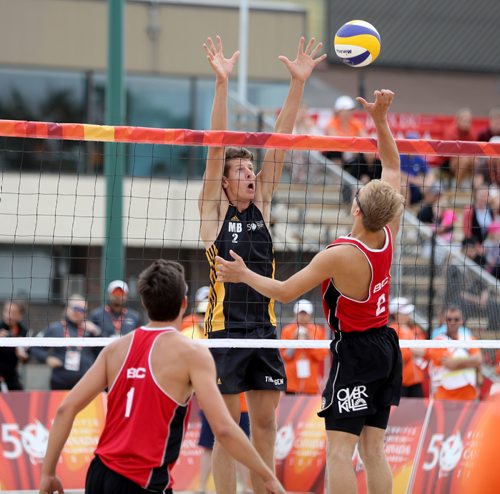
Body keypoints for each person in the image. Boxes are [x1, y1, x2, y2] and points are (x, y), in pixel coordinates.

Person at [216, 90, 405, 494]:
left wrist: (244, 273)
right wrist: (381, 119)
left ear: (356, 209)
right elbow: (392, 164)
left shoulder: (338, 255)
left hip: (355, 352)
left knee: (340, 453)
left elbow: (284, 293)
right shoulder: (390, 233)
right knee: (374, 450)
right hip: (388, 346)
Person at [199, 35, 325, 494]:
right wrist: (221, 84)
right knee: (228, 429)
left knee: (266, 423)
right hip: (225, 332)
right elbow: (216, 149)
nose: (250, 174)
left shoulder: (263, 205)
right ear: (227, 183)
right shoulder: (214, 211)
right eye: (241, 171)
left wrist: (298, 84)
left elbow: (283, 144)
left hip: (264, 329)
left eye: (252, 169)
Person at [39, 260, 284, 494]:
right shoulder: (192, 354)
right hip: (143, 481)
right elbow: (224, 430)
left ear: (144, 303)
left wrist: (47, 474)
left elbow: (65, 409)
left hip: (99, 473)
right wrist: (267, 475)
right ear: (184, 303)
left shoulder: (114, 349)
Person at [31, 295, 101, 390]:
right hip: (60, 382)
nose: (78, 312)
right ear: (67, 308)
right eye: (75, 308)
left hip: (86, 383)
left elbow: (104, 351)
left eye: (82, 310)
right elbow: (35, 347)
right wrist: (47, 358)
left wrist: (97, 332)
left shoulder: (91, 329)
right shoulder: (55, 328)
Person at [417, 306, 482, 401]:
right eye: (449, 319)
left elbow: (478, 360)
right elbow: (450, 365)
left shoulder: (469, 338)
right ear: (444, 321)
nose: (452, 322)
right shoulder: (438, 341)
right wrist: (470, 361)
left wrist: (456, 361)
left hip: (469, 394)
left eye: (456, 319)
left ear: (462, 321)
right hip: (445, 394)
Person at [280, 299, 329, 394]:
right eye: (300, 313)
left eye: (305, 313)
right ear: (295, 314)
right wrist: (294, 342)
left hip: (310, 385)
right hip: (291, 384)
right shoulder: (287, 330)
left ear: (310, 314)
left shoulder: (317, 331)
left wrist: (310, 341)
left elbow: (321, 356)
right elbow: (284, 356)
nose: (302, 316)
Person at [388, 297, 426, 398]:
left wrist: (410, 349)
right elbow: (401, 356)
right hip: (400, 381)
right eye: (405, 313)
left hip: (416, 380)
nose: (408, 315)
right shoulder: (392, 330)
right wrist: (412, 350)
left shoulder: (415, 329)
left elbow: (424, 351)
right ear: (396, 314)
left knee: (417, 410)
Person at [0, 300, 29, 391]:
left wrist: (23, 357)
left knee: (19, 400)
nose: (8, 315)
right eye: (6, 311)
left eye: (13, 312)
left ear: (20, 316)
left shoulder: (24, 332)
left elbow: (26, 359)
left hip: (11, 376)